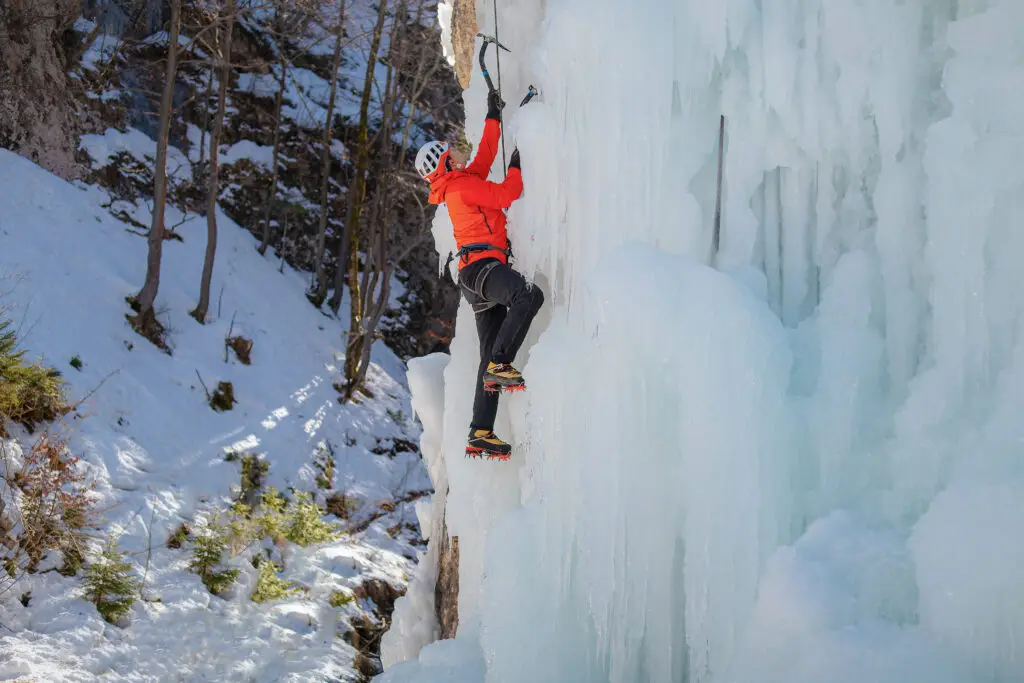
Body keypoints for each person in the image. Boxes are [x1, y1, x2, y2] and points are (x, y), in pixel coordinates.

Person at [415, 90, 544, 460]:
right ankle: (501, 364)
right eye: (449, 150)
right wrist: (520, 156)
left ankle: (480, 431)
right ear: (443, 162)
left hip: (476, 276)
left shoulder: (459, 184)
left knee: (487, 353)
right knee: (528, 297)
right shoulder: (460, 186)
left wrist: (493, 115)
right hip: (483, 268)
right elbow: (509, 193)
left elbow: (485, 156)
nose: (456, 151)